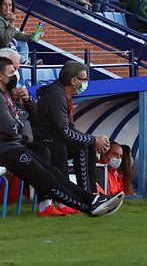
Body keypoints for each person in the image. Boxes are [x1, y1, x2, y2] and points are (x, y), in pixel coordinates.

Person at [0, 51, 122, 218]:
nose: (16, 75)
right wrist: (18, 122)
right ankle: (89, 207)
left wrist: (19, 118)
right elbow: (13, 128)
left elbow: (21, 118)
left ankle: (93, 200)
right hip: (1, 150)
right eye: (12, 72)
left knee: (53, 173)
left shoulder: (3, 94)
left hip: (13, 146)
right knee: (45, 177)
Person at [30, 61, 109, 215]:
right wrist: (93, 139)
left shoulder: (63, 95)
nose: (86, 83)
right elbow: (64, 131)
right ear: (74, 81)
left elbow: (69, 128)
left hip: (53, 139)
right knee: (75, 146)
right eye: (84, 80)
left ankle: (90, 194)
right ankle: (83, 199)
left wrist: (92, 140)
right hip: (42, 141)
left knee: (85, 145)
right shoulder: (56, 96)